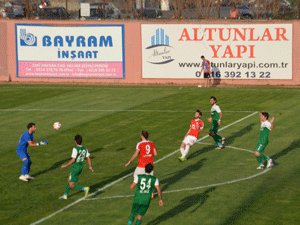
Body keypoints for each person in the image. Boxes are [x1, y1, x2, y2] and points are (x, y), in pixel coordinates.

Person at [59, 134, 94, 200]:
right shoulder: (85, 149)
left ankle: (84, 189)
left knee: (71, 185)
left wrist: (65, 165)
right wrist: (90, 166)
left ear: (75, 141)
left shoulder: (75, 149)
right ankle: (65, 195)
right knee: (69, 180)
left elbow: (73, 160)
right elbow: (88, 158)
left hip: (75, 168)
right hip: (80, 167)